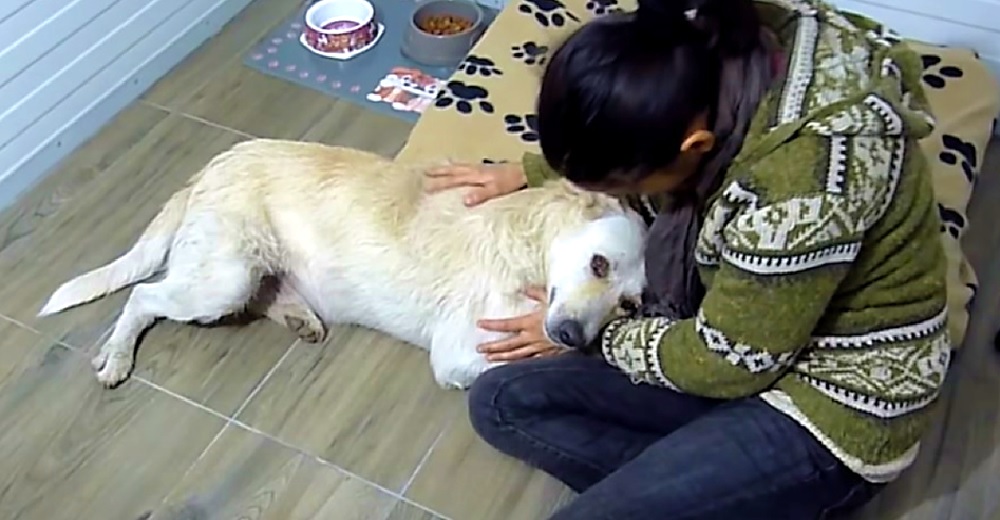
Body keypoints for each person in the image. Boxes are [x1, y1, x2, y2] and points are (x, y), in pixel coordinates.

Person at [424, 0, 951, 518]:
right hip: (745, 346)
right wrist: (534, 170)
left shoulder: (797, 196)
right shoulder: (701, 44)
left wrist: (600, 333)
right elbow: (621, 126)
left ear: (693, 144)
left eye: (619, 185)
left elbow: (725, 363)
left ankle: (743, 488)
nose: (614, 195)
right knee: (501, 401)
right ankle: (721, 490)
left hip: (832, 406)